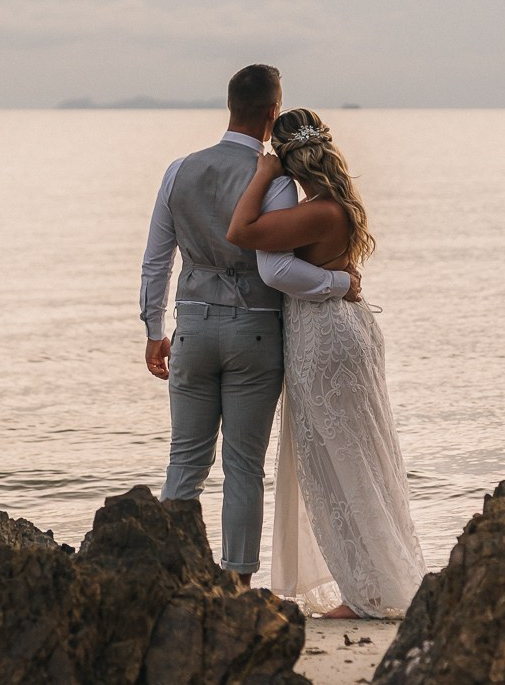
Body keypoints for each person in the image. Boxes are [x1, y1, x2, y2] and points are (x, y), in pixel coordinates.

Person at [140, 64, 364, 582]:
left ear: (229, 105)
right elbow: (276, 267)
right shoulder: (277, 182)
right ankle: (237, 584)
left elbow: (156, 260)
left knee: (185, 461)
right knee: (243, 465)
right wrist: (338, 283)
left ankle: (168, 575)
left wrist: (153, 330)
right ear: (272, 112)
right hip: (256, 332)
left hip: (193, 327)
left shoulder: (178, 170)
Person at [228, 107, 425, 618]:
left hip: (327, 337)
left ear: (289, 158)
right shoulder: (334, 204)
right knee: (345, 459)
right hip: (337, 329)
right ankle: (367, 585)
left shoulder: (319, 211)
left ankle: (370, 594)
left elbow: (241, 230)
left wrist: (263, 175)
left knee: (345, 462)